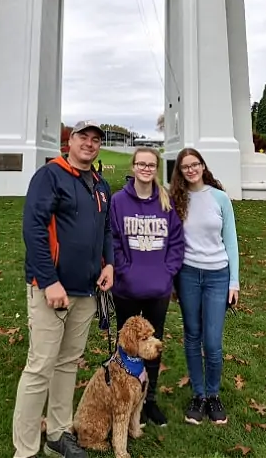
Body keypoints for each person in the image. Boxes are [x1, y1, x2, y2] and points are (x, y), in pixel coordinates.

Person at [11, 121, 114, 458]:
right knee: (40, 367)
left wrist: (108, 264)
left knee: (68, 363)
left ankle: (57, 433)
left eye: (96, 140)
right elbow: (33, 228)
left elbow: (106, 231)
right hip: (51, 290)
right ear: (69, 142)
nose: (89, 143)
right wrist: (49, 280)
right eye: (83, 137)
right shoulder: (50, 176)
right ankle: (25, 449)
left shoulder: (100, 185)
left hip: (86, 291)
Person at [108, 147, 184, 427]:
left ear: (156, 168)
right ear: (134, 166)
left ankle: (148, 402)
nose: (146, 168)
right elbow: (113, 239)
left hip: (157, 290)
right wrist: (124, 270)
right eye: (141, 163)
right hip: (126, 288)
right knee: (127, 348)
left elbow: (176, 242)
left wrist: (167, 272)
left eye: (151, 164)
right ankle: (122, 399)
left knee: (152, 349)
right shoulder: (118, 201)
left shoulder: (166, 202)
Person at [170, 147, 240, 426]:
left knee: (212, 342)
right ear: (180, 171)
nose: (191, 169)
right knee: (192, 336)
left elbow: (231, 242)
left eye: (195, 164)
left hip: (217, 276)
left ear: (202, 166)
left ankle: (213, 394)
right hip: (187, 274)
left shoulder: (220, 198)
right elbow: (173, 243)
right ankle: (198, 395)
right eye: (185, 166)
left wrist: (234, 281)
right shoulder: (177, 199)